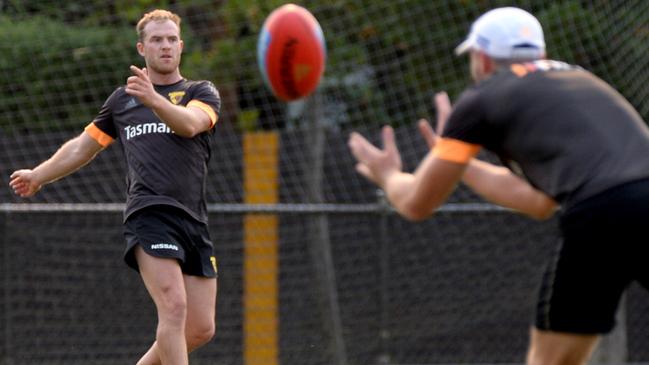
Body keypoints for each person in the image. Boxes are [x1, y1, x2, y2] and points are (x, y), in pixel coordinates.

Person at [348, 6, 649, 365]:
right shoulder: (581, 79)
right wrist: (461, 165)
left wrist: (388, 175)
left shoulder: (482, 97)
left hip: (601, 213)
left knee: (551, 360)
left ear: (484, 60)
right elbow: (538, 201)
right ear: (539, 53)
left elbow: (416, 203)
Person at [9, 9, 220, 365]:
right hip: (149, 213)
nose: (165, 46)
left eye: (171, 39)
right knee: (174, 306)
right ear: (142, 48)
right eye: (156, 40)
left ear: (181, 46)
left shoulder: (200, 91)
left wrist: (153, 99)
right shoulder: (122, 100)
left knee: (200, 328)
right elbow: (84, 145)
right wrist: (38, 174)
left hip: (194, 220)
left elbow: (190, 125)